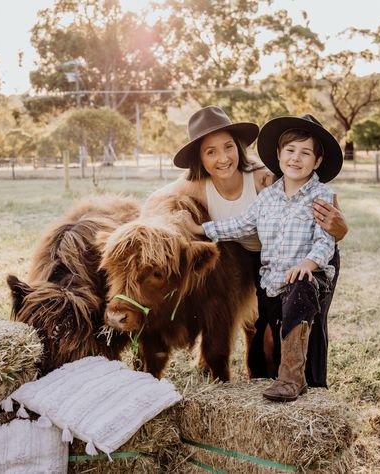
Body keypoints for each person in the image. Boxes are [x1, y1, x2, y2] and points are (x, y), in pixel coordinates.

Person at [143, 106, 347, 388]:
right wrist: (192, 229)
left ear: (239, 147)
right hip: (266, 262)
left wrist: (339, 229)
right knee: (265, 330)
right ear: (199, 159)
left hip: (306, 257)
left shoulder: (265, 179)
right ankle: (265, 383)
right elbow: (158, 201)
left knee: (305, 323)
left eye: (229, 147)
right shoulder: (195, 186)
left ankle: (312, 387)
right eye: (210, 151)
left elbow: (319, 211)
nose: (223, 158)